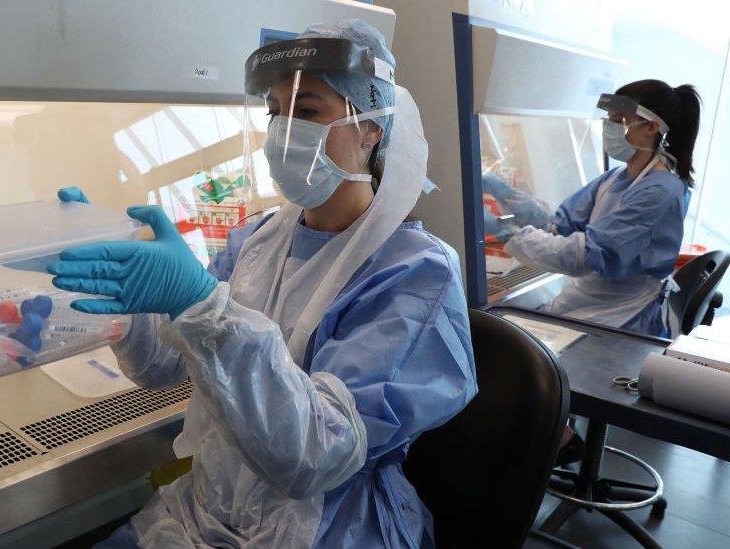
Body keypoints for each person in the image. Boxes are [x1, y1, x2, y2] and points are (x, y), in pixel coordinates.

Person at [48, 20, 477, 548]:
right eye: (275, 111)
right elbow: (163, 366)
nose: (283, 131)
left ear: (372, 128)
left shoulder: (416, 273)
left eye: (309, 110)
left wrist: (201, 305)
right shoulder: (257, 241)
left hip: (325, 525)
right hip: (204, 512)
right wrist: (130, 292)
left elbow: (317, 454)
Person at [498, 80, 701, 336]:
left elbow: (586, 256)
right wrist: (507, 197)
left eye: (619, 119)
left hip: (622, 318)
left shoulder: (660, 193)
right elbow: (558, 226)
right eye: (608, 118)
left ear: (651, 126)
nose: (609, 128)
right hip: (586, 306)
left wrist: (510, 236)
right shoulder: (615, 178)